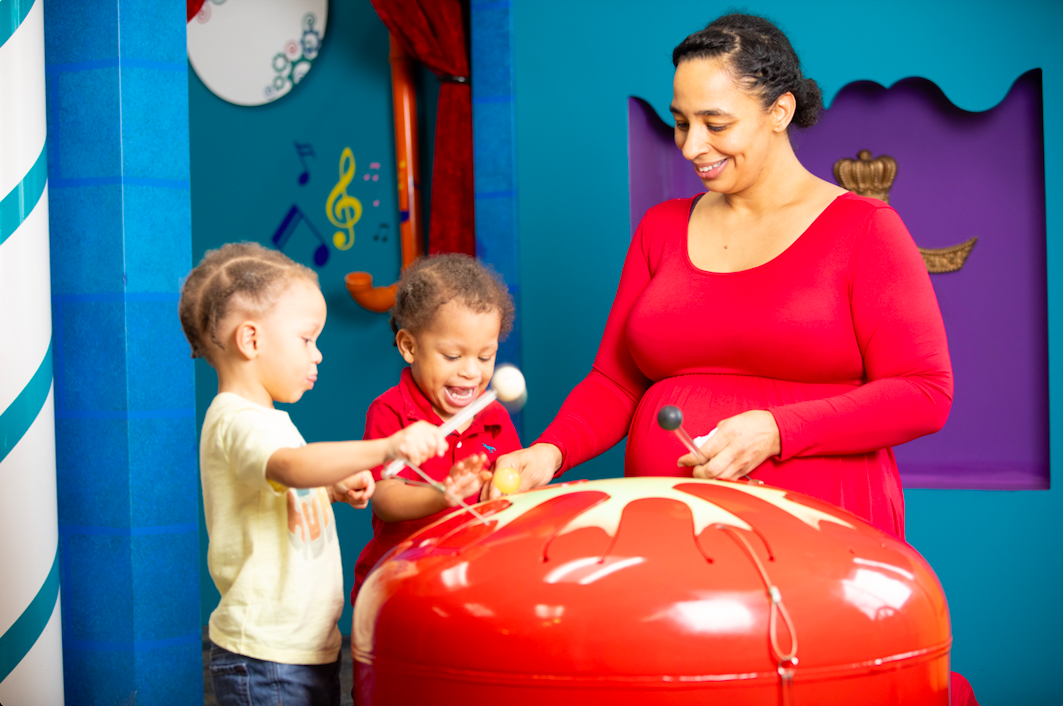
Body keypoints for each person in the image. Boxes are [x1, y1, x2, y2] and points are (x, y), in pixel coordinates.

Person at [494, 13, 954, 541]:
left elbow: (924, 392)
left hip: (823, 532)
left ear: (779, 111)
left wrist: (777, 430)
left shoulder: (865, 228)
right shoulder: (661, 228)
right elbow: (616, 383)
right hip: (669, 532)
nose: (691, 146)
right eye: (681, 122)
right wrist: (549, 452)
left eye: (715, 125)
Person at [178, 242, 448, 706]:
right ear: (251, 340)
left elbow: (282, 484)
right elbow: (289, 466)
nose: (317, 354)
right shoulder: (236, 420)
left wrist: (331, 488)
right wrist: (386, 447)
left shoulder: (268, 422)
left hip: (300, 650)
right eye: (307, 339)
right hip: (266, 655)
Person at [352, 253, 522, 601]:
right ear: (409, 346)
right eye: (452, 356)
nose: (471, 372)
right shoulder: (390, 412)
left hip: (472, 585)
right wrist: (442, 495)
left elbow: (513, 491)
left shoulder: (495, 418)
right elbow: (384, 498)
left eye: (485, 356)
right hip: (401, 587)